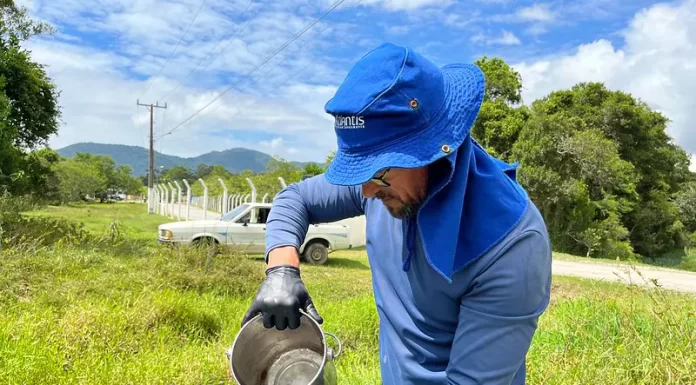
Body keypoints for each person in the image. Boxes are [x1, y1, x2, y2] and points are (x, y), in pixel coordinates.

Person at [241, 42, 552, 385]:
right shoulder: (386, 181)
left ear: (432, 152)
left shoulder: (512, 248)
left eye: (376, 174)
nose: (365, 193)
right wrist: (282, 268)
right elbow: (294, 198)